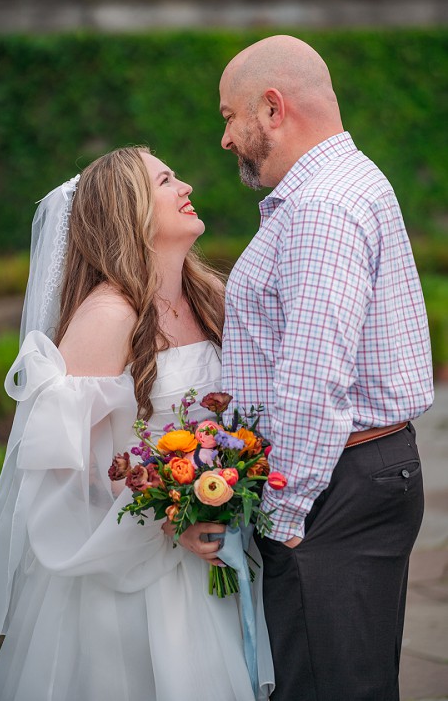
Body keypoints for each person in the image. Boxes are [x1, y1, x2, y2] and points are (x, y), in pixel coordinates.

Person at [0, 147, 274, 701]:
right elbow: (66, 466)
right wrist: (172, 513)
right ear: (129, 210)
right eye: (166, 180)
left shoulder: (211, 296)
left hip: (216, 546)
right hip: (138, 571)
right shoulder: (109, 315)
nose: (185, 186)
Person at [184, 35, 434, 700]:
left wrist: (283, 514)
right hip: (354, 476)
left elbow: (312, 382)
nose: (225, 138)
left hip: (332, 490)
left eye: (228, 116)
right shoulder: (339, 185)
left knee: (326, 686)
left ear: (271, 108)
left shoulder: (320, 208)